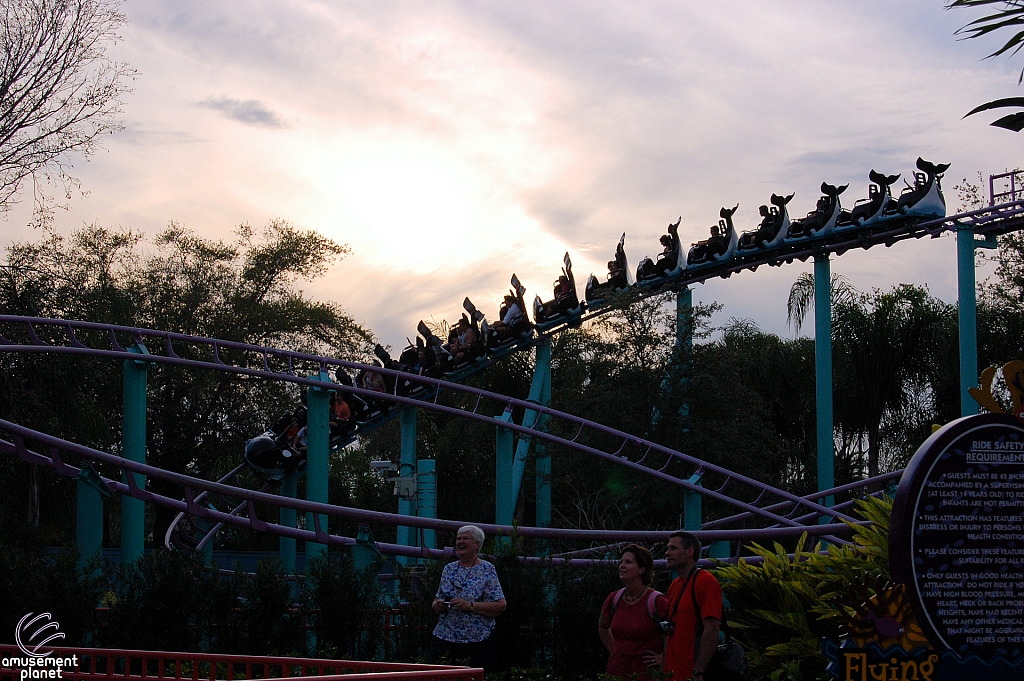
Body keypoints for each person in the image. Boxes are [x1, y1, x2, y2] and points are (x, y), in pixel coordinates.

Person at [644, 531, 722, 681]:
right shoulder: (675, 585)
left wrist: (699, 670)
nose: (667, 553)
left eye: (673, 548)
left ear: (689, 551)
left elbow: (712, 629)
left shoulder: (706, 581)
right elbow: (670, 630)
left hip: (691, 673)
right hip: (673, 673)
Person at [430, 525, 507, 671]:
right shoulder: (449, 569)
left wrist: (470, 605)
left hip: (477, 640)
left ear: (477, 544)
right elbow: (436, 600)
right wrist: (437, 605)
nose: (460, 542)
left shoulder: (487, 569)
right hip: (444, 638)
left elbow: (500, 605)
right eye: (458, 538)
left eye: (466, 538)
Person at [598, 544, 669, 680]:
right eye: (621, 562)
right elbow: (602, 626)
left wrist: (664, 658)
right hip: (616, 673)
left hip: (646, 675)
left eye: (628, 562)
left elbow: (673, 633)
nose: (622, 566)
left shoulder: (657, 601)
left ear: (642, 569)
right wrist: (614, 651)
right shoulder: (614, 599)